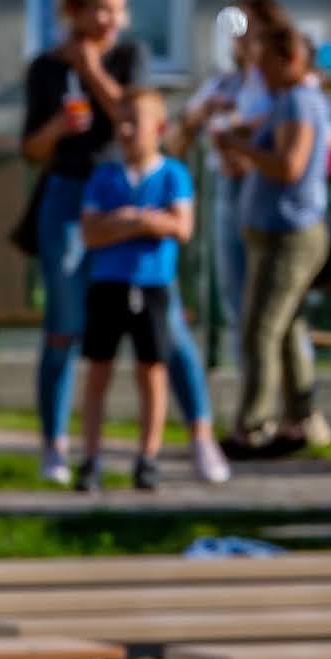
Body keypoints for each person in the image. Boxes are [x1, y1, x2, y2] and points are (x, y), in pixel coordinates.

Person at [21, 0, 145, 483]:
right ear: (73, 10)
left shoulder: (128, 57)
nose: (110, 22)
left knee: (150, 319)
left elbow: (131, 119)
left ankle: (194, 440)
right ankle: (54, 444)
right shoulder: (45, 68)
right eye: (99, 10)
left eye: (117, 10)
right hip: (66, 196)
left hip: (116, 193)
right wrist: (58, 127)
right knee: (63, 325)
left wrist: (91, 68)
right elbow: (31, 149)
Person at [71, 85, 230, 491]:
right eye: (120, 122)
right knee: (98, 372)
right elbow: (91, 233)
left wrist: (129, 221)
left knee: (152, 373)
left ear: (157, 127)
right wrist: (140, 222)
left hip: (153, 285)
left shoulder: (173, 174)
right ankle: (90, 458)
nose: (125, 130)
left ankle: (148, 457)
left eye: (134, 122)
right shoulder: (105, 176)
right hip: (108, 284)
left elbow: (180, 226)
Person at [216, 8, 331, 456]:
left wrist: (241, 145)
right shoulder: (288, 101)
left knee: (260, 330)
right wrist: (239, 145)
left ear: (288, 59)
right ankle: (299, 421)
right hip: (274, 231)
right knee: (284, 331)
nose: (259, 72)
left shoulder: (299, 101)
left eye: (265, 61)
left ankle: (253, 425)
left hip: (291, 233)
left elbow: (289, 166)